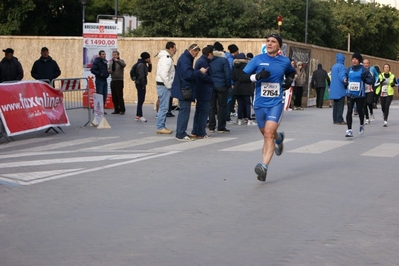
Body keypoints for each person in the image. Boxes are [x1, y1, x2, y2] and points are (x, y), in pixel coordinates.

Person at [241, 34, 295, 182]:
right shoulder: (258, 59)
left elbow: (291, 72)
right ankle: (280, 138)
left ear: (279, 46)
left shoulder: (284, 61)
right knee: (266, 133)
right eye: (268, 41)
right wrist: (256, 77)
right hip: (259, 103)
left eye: (273, 42)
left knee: (268, 134)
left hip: (275, 103)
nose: (270, 43)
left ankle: (264, 167)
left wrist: (289, 80)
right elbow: (241, 76)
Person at [171, 44, 207, 141]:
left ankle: (181, 132)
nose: (196, 55)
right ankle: (180, 134)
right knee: (184, 111)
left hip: (184, 87)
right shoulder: (185, 60)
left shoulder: (185, 58)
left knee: (184, 111)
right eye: (196, 53)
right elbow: (188, 74)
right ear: (192, 50)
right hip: (184, 88)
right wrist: (200, 71)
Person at [345, 52, 374, 137]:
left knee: (360, 111)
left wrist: (364, 79)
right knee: (349, 111)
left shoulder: (364, 70)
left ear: (359, 60)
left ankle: (361, 124)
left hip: (360, 94)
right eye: (353, 59)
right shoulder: (349, 69)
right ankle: (349, 130)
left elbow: (371, 81)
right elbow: (346, 78)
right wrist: (345, 82)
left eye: (356, 59)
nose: (354, 61)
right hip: (350, 93)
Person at [191, 46, 214, 139]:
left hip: (200, 89)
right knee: (203, 112)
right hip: (204, 90)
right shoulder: (204, 62)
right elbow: (203, 76)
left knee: (199, 112)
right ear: (210, 54)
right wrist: (212, 80)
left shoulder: (200, 61)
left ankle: (195, 131)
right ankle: (201, 132)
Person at [209, 42, 231, 133]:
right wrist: (228, 84)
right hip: (222, 85)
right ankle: (221, 127)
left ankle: (211, 126)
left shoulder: (209, 59)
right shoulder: (223, 60)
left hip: (211, 85)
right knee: (222, 106)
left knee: (212, 106)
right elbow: (227, 74)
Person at [156, 41, 177, 134]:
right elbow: (164, 73)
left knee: (163, 106)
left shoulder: (165, 58)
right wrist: (169, 85)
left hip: (162, 84)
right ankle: (160, 126)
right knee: (164, 107)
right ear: (171, 48)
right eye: (175, 48)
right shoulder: (167, 58)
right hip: (164, 85)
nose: (176, 50)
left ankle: (161, 126)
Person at [232, 53, 257, 126]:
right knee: (247, 104)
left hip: (237, 87)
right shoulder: (247, 66)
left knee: (240, 104)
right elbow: (251, 75)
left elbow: (233, 77)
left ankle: (239, 119)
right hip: (246, 87)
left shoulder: (234, 66)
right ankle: (249, 119)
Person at [329, 53, 347, 125]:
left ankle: (335, 119)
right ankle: (339, 119)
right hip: (340, 89)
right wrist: (345, 80)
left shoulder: (334, 67)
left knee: (335, 105)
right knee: (340, 105)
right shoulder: (342, 67)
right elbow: (342, 75)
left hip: (334, 89)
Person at [134, 52, 152, 122]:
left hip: (140, 83)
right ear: (146, 58)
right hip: (140, 84)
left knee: (141, 99)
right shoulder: (141, 65)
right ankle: (139, 115)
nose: (149, 59)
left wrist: (150, 64)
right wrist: (143, 85)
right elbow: (141, 76)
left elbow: (149, 70)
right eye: (148, 58)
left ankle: (138, 115)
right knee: (141, 99)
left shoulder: (143, 64)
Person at [109, 50, 126, 115]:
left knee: (119, 95)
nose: (114, 56)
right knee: (114, 96)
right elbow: (109, 68)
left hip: (119, 80)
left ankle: (122, 109)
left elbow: (124, 65)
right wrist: (109, 71)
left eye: (115, 55)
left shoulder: (121, 61)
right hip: (113, 80)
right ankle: (116, 109)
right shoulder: (111, 62)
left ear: (118, 55)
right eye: (113, 55)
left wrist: (118, 61)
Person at [226, 44, 239, 122]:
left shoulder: (227, 57)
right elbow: (230, 73)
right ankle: (227, 117)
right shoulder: (231, 60)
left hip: (226, 83)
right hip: (230, 84)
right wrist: (232, 83)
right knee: (229, 100)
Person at [361, 58, 376, 124]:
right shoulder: (361, 71)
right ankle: (367, 118)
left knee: (369, 102)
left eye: (367, 63)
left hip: (370, 90)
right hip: (363, 90)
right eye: (364, 63)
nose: (366, 64)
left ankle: (371, 113)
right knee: (364, 105)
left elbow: (373, 80)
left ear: (369, 64)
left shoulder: (371, 71)